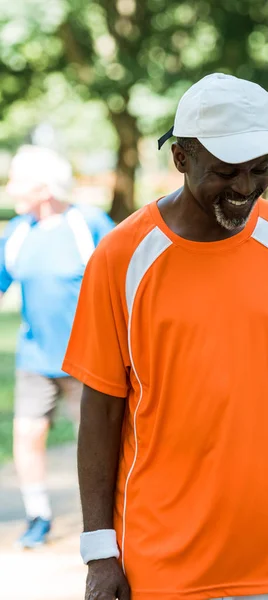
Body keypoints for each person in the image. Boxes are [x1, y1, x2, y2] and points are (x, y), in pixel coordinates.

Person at [62, 73, 268, 600]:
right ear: (182, 158)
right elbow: (99, 408)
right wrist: (100, 551)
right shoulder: (121, 257)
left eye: (259, 170)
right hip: (158, 555)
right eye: (226, 171)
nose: (244, 187)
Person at [0, 145, 114, 548]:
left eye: (20, 182)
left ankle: (105, 521)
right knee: (27, 435)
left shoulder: (89, 224)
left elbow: (124, 280)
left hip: (87, 358)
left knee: (97, 443)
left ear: (45, 188)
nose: (12, 189)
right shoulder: (17, 233)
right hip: (35, 357)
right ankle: (38, 516)